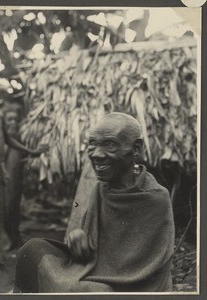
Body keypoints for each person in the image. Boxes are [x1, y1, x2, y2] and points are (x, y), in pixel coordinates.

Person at [14, 112, 175, 293]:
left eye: (110, 144)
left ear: (136, 148)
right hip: (93, 267)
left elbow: (143, 267)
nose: (97, 154)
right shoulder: (101, 188)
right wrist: (78, 236)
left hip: (131, 283)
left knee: (95, 291)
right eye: (92, 144)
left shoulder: (156, 197)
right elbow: (90, 240)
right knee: (32, 250)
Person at [0, 100, 48, 250]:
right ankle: (13, 238)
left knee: (10, 204)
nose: (12, 123)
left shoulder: (16, 148)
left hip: (9, 178)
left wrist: (32, 152)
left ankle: (15, 238)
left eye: (15, 120)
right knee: (4, 206)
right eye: (9, 119)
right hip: (1, 173)